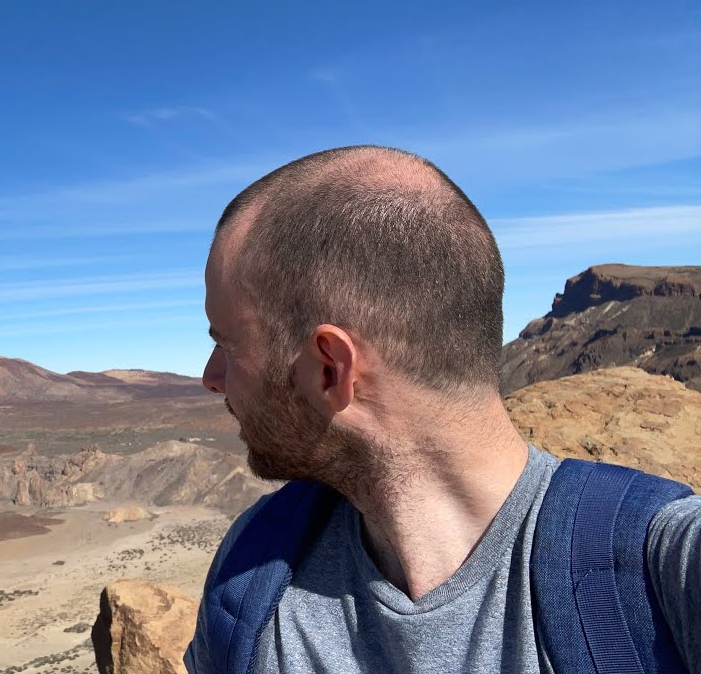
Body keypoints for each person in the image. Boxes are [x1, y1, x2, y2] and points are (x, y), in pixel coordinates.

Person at [185, 145, 700, 673]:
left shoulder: (662, 572)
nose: (211, 377)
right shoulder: (251, 575)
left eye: (226, 343)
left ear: (329, 369)